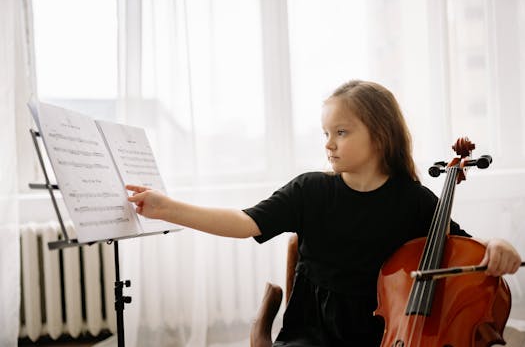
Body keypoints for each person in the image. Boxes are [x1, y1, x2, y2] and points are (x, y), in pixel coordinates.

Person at [126, 80, 522, 346]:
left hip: (378, 335)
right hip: (309, 335)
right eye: (326, 134)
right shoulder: (310, 190)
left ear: (380, 135)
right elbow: (245, 222)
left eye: (341, 132)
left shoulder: (413, 200)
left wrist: (498, 245)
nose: (329, 144)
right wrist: (166, 207)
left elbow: (464, 248)